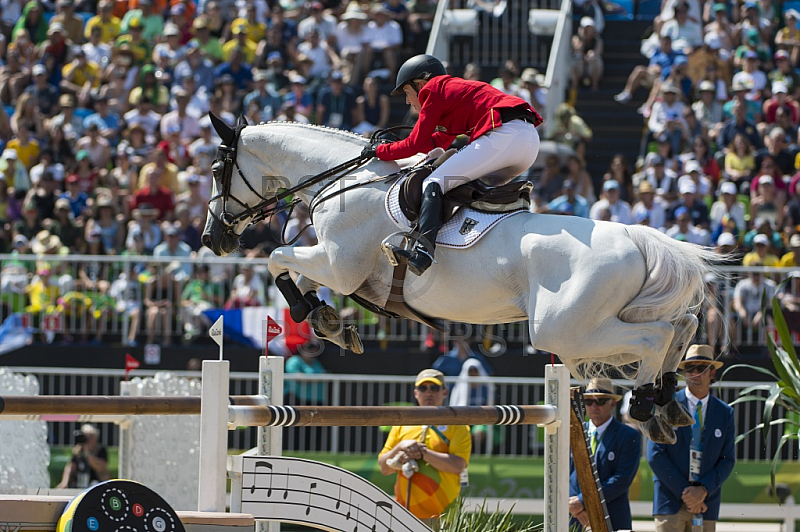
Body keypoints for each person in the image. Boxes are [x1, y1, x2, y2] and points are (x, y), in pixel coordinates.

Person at [366, 54, 542, 276]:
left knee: (434, 182)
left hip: (504, 136)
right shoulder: (452, 96)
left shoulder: (433, 89)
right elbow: (434, 143)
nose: (408, 101)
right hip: (528, 142)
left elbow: (415, 143)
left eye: (407, 93)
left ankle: (423, 252)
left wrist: (379, 151)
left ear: (420, 84)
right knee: (471, 191)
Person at [647, 345, 735, 532]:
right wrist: (687, 493)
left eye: (701, 368)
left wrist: (702, 491)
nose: (695, 373)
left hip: (705, 504)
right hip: (670, 501)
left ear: (712, 373)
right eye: (690, 368)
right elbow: (655, 453)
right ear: (684, 373)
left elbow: (727, 460)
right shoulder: (666, 405)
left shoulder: (725, 413)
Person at [378, 369, 471, 526]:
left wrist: (422, 452)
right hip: (404, 514)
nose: (428, 393)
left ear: (445, 392)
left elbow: (458, 465)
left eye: (434, 388)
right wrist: (400, 448)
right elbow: (384, 467)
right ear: (416, 393)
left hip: (443, 516)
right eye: (423, 388)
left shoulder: (458, 425)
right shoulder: (402, 424)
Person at [568, 378, 641, 531]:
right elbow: (565, 473)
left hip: (612, 515)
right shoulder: (574, 432)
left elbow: (622, 478)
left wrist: (583, 501)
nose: (594, 406)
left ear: (612, 404)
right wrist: (576, 507)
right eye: (589, 402)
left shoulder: (628, 435)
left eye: (600, 401)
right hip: (577, 517)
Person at [56, 424, 110, 489]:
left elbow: (100, 467)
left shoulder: (100, 450)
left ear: (95, 437)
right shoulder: (78, 450)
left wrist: (87, 453)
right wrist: (64, 482)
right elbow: (71, 466)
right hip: (79, 483)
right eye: (86, 436)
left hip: (95, 483)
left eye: (90, 436)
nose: (88, 439)